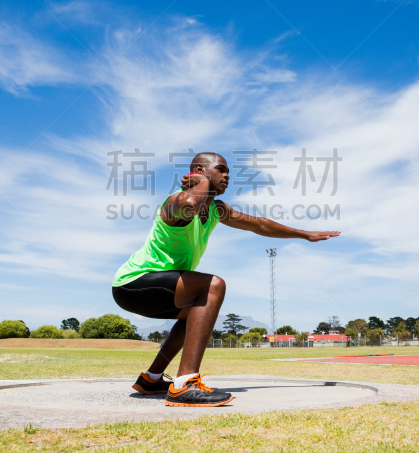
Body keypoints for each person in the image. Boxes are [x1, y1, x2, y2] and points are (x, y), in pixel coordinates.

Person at [112, 152, 340, 407]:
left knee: (195, 315)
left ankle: (151, 379)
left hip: (155, 287)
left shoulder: (216, 209)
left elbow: (260, 225)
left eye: (228, 171)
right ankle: (184, 384)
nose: (228, 176)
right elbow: (189, 203)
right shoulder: (176, 201)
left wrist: (305, 234)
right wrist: (201, 182)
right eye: (221, 169)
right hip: (133, 283)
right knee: (213, 286)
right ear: (199, 170)